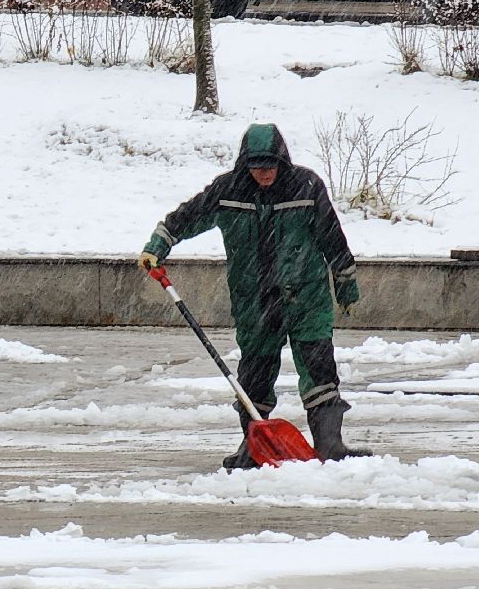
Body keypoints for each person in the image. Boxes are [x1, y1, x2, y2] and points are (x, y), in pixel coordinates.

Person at [138, 123, 371, 469]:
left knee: (319, 369)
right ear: (245, 163)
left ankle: (329, 443)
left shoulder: (306, 187)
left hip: (306, 296)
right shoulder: (228, 190)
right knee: (255, 375)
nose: (264, 173)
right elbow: (185, 217)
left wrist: (345, 281)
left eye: (270, 165)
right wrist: (157, 246)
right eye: (257, 166)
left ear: (282, 161)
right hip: (255, 298)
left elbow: (332, 238)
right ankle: (254, 445)